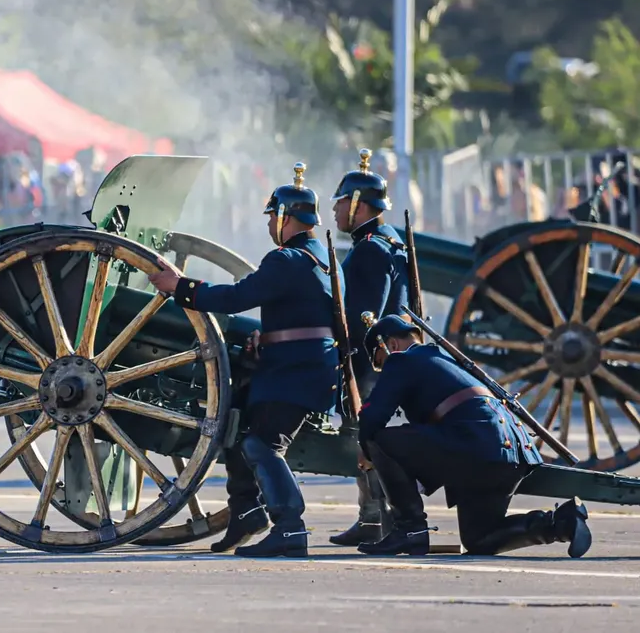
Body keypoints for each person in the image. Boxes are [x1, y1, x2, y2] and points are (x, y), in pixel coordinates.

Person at [148, 163, 342, 558]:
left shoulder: (285, 259)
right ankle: (247, 513)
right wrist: (266, 337)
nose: (270, 224)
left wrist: (179, 287)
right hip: (303, 365)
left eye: (273, 216)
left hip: (295, 371)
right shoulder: (321, 260)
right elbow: (301, 315)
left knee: (263, 446)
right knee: (240, 435)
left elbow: (237, 297)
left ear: (286, 216)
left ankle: (290, 529)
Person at [353, 314, 592, 558]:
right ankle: (562, 523)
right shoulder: (448, 359)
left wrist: (366, 448)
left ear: (391, 345)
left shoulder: (401, 360)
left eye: (380, 363)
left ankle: (409, 530)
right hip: (508, 452)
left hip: (476, 446)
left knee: (379, 440)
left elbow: (373, 417)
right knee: (480, 539)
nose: (383, 371)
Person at [328, 148, 409, 547]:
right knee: (364, 438)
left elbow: (364, 318)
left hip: (371, 363)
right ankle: (371, 518)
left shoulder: (372, 249)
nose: (336, 211)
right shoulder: (388, 239)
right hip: (386, 358)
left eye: (341, 203)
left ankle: (387, 521)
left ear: (358, 205)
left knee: (367, 438)